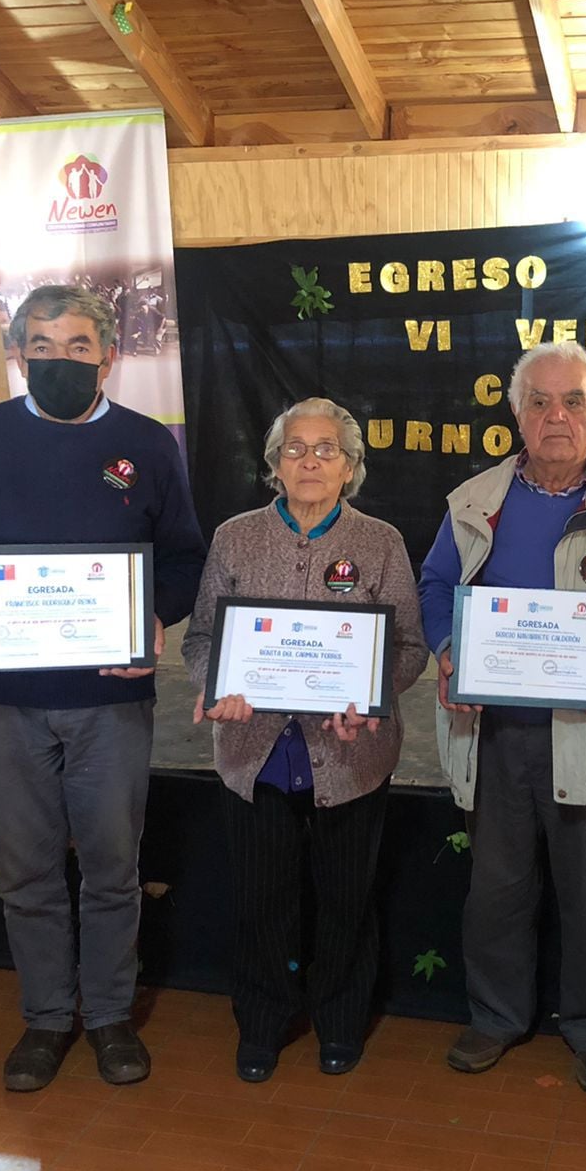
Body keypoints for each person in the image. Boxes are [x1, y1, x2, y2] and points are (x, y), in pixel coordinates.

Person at [0, 285, 206, 1092]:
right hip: (9, 697)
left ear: (108, 356)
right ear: (19, 355)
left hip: (111, 698)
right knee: (26, 869)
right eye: (43, 347)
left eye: (78, 346)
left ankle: (111, 1015)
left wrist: (153, 615)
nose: (61, 360)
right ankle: (48, 1017)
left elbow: (184, 558)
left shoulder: (146, 443)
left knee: (113, 867)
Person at [416, 341, 586, 1093]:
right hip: (495, 731)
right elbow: (435, 585)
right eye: (539, 401)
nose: (556, 416)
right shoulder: (474, 500)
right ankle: (496, 1016)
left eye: (573, 401)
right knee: (496, 887)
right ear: (517, 414)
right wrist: (448, 650)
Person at [181, 398, 428, 1083]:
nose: (310, 461)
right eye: (295, 449)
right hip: (252, 756)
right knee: (262, 899)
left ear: (350, 467)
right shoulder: (234, 537)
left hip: (351, 757)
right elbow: (201, 639)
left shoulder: (380, 542)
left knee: (347, 900)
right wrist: (216, 684)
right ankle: (262, 1022)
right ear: (275, 465)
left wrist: (372, 696)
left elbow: (409, 647)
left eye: (326, 450)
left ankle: (340, 1020)